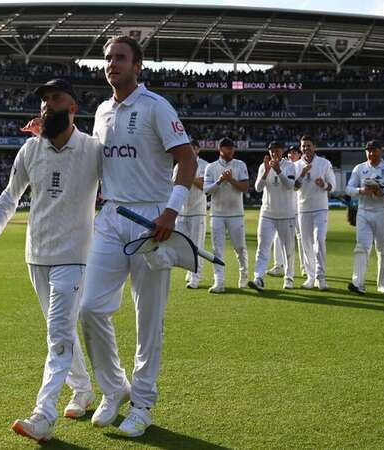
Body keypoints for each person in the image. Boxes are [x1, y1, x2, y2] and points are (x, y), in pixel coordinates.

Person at [77, 35, 197, 438]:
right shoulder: (101, 110)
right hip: (110, 216)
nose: (112, 64)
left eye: (120, 58)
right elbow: (94, 159)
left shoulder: (155, 107)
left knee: (149, 318)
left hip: (151, 217)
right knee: (89, 308)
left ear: (137, 65)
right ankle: (115, 389)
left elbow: (188, 157)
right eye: (108, 58)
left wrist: (170, 210)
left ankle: (143, 403)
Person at [0, 79, 100, 443]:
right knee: (61, 331)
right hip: (36, 256)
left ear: (73, 107)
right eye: (44, 100)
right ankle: (84, 390)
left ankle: (43, 416)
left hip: (74, 256)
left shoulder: (93, 149)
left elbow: (118, 190)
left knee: (57, 333)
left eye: (55, 98)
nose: (47, 104)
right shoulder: (30, 150)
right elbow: (9, 196)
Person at [345, 141, 384, 295]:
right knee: (361, 247)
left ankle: (383, 285)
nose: (371, 153)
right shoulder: (360, 168)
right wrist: (361, 191)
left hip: (382, 211)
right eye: (368, 150)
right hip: (363, 212)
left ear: (380, 151)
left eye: (374, 150)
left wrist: (382, 193)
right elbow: (349, 189)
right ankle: (358, 283)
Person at [249, 141, 298, 291]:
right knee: (262, 247)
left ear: (282, 151)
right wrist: (267, 170)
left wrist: (278, 171)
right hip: (267, 214)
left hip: (286, 214)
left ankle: (289, 278)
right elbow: (257, 188)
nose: (274, 154)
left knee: (288, 249)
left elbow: (290, 186)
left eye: (277, 151)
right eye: (271, 151)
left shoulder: (290, 166)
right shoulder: (263, 166)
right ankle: (258, 278)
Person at [203, 138, 250, 293]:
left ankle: (244, 275)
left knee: (240, 247)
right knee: (218, 249)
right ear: (220, 149)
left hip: (236, 214)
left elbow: (244, 187)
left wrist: (230, 180)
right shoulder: (211, 167)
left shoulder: (240, 165)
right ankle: (219, 281)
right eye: (228, 148)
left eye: (232, 148)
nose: (231, 151)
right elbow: (206, 190)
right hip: (217, 214)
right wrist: (220, 181)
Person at [293, 135, 335, 290]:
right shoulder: (296, 165)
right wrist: (303, 174)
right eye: (303, 146)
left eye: (308, 145)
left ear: (314, 147)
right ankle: (311, 278)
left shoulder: (324, 163)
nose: (306, 149)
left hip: (320, 208)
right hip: (303, 209)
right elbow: (294, 187)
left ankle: (321, 277)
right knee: (306, 244)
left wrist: (323, 184)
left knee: (319, 240)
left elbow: (333, 186)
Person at [173, 140, 208, 288]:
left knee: (197, 246)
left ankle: (196, 277)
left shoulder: (205, 165)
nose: (190, 150)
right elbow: (174, 185)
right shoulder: (179, 165)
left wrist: (189, 178)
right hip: (181, 212)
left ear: (198, 150)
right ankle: (190, 271)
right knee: (182, 244)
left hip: (197, 211)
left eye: (193, 148)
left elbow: (205, 186)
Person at [270, 146, 306, 278]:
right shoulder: (285, 165)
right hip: (286, 208)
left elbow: (297, 186)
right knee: (278, 237)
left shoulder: (302, 165)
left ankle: (304, 267)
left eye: (295, 152)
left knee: (301, 238)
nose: (292, 154)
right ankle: (278, 265)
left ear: (299, 154)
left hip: (299, 207)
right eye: (290, 152)